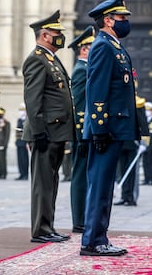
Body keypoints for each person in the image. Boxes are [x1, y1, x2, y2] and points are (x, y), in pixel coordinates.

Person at [81, 0, 138, 256]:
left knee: (106, 185)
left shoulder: (112, 44)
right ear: (108, 20)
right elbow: (97, 89)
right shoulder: (103, 46)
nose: (126, 22)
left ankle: (99, 237)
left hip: (115, 127)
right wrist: (99, 127)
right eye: (121, 18)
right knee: (101, 185)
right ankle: (92, 241)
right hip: (107, 128)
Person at [22, 10, 74, 243]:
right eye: (56, 33)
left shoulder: (50, 59)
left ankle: (48, 226)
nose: (60, 36)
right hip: (45, 132)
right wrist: (39, 131)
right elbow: (33, 100)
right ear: (44, 35)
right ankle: (40, 230)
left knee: (51, 181)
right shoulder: (36, 59)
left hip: (56, 131)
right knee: (42, 183)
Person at [68, 25, 95, 233]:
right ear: (84, 49)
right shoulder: (80, 70)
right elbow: (78, 105)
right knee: (79, 174)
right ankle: (79, 220)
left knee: (86, 174)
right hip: (83, 132)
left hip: (88, 131)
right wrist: (82, 133)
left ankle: (84, 217)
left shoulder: (87, 69)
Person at [114, 94, 148, 207]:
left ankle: (132, 197)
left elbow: (143, 122)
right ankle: (124, 196)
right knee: (122, 171)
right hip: (121, 141)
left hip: (133, 142)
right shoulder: (119, 99)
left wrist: (144, 141)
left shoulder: (138, 102)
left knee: (133, 171)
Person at [141, 101, 152, 185]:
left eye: (148, 110)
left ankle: (151, 179)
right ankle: (146, 178)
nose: (146, 112)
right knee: (145, 162)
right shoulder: (144, 120)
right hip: (145, 145)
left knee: (150, 163)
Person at [15, 103, 29, 180]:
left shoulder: (27, 119)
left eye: (23, 110)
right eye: (20, 110)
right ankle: (21, 174)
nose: (21, 112)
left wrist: (27, 142)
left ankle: (25, 174)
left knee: (24, 159)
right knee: (20, 159)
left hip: (24, 142)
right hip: (19, 142)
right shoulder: (19, 120)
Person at [0, 107, 11, 179]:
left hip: (2, 144)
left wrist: (5, 144)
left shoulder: (6, 123)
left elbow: (7, 135)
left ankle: (4, 174)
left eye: (1, 114)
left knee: (2, 160)